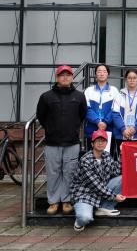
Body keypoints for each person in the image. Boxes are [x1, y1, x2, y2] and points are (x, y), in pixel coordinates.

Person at [36, 65, 87, 216]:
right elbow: (41, 116)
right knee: (53, 173)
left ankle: (66, 201)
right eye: (62, 75)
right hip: (52, 142)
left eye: (68, 75)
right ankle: (53, 202)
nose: (65, 77)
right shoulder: (46, 97)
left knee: (69, 172)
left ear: (72, 77)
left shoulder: (79, 96)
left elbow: (82, 115)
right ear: (57, 78)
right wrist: (51, 129)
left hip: (72, 142)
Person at [71, 130, 125, 232]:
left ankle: (104, 207)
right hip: (86, 196)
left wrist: (122, 154)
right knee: (85, 218)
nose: (100, 143)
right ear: (92, 144)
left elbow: (116, 171)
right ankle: (79, 221)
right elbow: (96, 185)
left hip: (101, 194)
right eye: (98, 141)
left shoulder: (106, 156)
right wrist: (114, 196)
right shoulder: (86, 160)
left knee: (123, 178)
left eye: (103, 141)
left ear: (106, 143)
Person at [84, 64, 119, 150]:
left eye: (104, 71)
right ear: (96, 74)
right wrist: (97, 122)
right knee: (92, 155)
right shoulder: (89, 90)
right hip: (92, 129)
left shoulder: (114, 90)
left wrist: (105, 122)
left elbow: (115, 109)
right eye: (99, 71)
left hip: (109, 129)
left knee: (107, 155)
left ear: (108, 74)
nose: (102, 74)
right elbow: (86, 109)